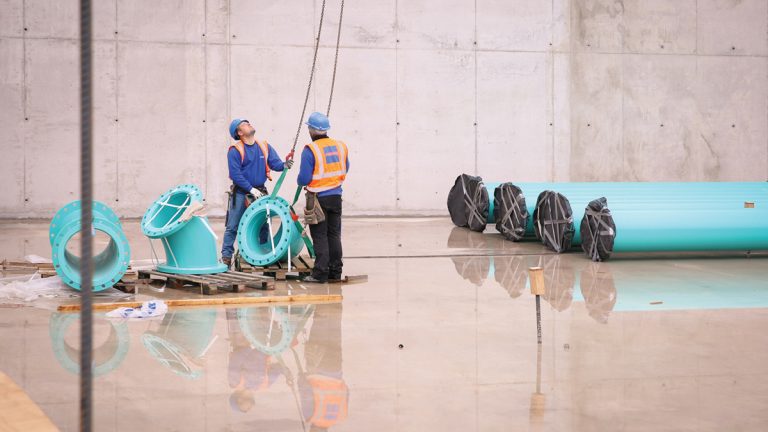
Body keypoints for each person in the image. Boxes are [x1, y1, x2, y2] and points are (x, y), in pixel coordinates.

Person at [222, 118, 293, 267]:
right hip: (241, 193)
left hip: (260, 191)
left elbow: (276, 164)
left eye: (248, 122)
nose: (249, 124)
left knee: (264, 224)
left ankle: (263, 253)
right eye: (244, 124)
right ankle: (226, 257)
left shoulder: (264, 146)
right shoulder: (235, 151)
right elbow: (236, 174)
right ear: (239, 132)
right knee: (233, 225)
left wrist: (285, 164)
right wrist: (251, 189)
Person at [297, 112, 349, 283]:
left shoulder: (310, 150)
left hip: (318, 198)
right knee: (334, 235)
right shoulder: (340, 146)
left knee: (320, 236)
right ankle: (335, 271)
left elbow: (304, 178)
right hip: (336, 196)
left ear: (311, 129)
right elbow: (345, 167)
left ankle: (320, 273)